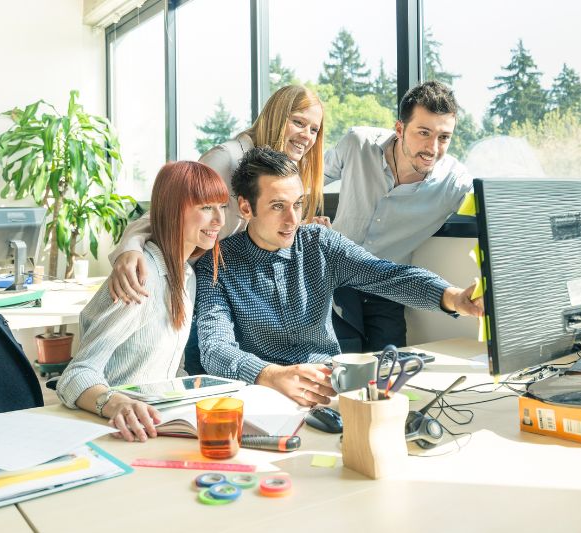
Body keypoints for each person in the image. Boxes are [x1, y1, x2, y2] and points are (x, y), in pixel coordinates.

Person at [195, 147, 483, 405]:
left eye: (297, 204)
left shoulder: (320, 243)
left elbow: (388, 275)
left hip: (331, 390)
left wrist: (453, 297)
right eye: (277, 206)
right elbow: (214, 347)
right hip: (264, 397)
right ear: (246, 207)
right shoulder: (217, 263)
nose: (293, 220)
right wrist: (270, 374)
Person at [106, 85, 328, 375]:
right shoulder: (227, 159)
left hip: (226, 287)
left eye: (314, 129)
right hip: (184, 284)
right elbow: (165, 212)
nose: (306, 136)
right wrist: (130, 249)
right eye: (298, 122)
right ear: (275, 117)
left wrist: (298, 224)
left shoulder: (283, 168)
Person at [56, 161, 228, 442]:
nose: (219, 220)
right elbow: (76, 374)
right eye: (206, 207)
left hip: (155, 426)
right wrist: (117, 403)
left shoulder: (186, 275)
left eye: (222, 206)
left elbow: (168, 368)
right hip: (114, 430)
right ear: (173, 211)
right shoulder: (141, 277)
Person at [325, 80, 473, 353]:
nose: (433, 147)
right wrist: (305, 214)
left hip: (389, 288)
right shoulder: (357, 143)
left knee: (392, 371)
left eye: (444, 137)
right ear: (400, 129)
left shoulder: (455, 182)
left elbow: (492, 213)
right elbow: (307, 179)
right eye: (423, 133)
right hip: (336, 281)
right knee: (340, 365)